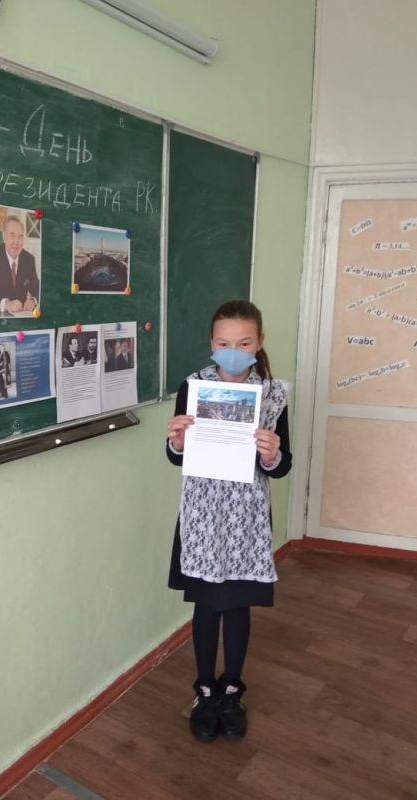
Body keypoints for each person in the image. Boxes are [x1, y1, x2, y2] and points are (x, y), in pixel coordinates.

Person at [166, 299, 292, 743]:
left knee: (238, 605)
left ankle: (232, 690)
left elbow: (282, 466)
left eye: (243, 343)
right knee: (206, 606)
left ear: (258, 343)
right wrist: (177, 442)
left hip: (246, 520)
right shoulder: (193, 387)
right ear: (211, 343)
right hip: (202, 516)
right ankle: (205, 690)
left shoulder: (272, 394)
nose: (232, 351)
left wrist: (272, 454)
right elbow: (176, 457)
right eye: (223, 343)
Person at [0, 215, 39, 316]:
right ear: (4, 237)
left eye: (20, 236)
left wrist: (33, 300)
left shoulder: (29, 259)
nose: (16, 242)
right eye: (12, 235)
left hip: (21, 317)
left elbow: (37, 287)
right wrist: (5, 304)